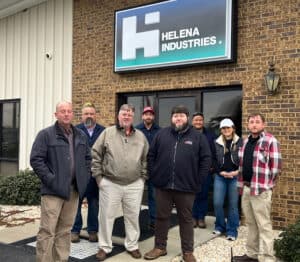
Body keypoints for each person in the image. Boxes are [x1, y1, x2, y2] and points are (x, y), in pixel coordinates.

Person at [144, 105, 211, 262]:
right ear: (171, 118)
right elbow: (151, 155)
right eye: (175, 116)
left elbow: (206, 159)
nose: (178, 118)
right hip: (163, 186)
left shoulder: (197, 136)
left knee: (186, 219)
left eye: (181, 115)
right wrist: (154, 175)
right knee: (161, 217)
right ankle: (160, 247)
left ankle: (187, 251)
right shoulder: (161, 134)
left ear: (187, 118)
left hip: (186, 187)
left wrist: (198, 179)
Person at [30, 101, 91, 262]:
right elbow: (36, 159)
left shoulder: (80, 135)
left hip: (73, 191)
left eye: (69, 111)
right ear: (56, 114)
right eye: (62, 111)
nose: (66, 114)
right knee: (47, 231)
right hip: (52, 192)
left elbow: (87, 159)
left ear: (72, 114)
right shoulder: (46, 135)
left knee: (65, 231)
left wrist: (83, 179)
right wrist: (51, 180)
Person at [91, 104, 149, 261]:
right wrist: (99, 178)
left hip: (134, 184)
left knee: (132, 216)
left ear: (133, 117)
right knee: (106, 216)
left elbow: (145, 159)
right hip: (110, 183)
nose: (126, 116)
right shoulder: (107, 133)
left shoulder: (141, 136)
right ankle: (104, 247)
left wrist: (142, 179)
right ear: (118, 115)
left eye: (129, 114)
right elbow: (95, 154)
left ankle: (132, 245)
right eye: (124, 113)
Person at [233, 113, 281, 262]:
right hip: (247, 189)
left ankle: (268, 258)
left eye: (257, 122)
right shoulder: (246, 142)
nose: (254, 124)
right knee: (251, 223)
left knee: (264, 225)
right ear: (248, 125)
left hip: (261, 190)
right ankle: (252, 254)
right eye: (251, 122)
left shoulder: (270, 141)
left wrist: (267, 185)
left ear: (263, 124)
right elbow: (242, 165)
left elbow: (276, 167)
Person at [71, 102, 105, 243]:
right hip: (78, 175)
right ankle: (75, 230)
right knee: (75, 204)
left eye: (91, 113)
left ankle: (92, 230)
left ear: (95, 115)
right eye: (86, 113)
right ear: (82, 115)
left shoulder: (104, 131)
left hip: (95, 175)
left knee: (94, 204)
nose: (89, 116)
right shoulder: (74, 130)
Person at [213, 118, 242, 241]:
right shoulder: (216, 142)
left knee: (233, 205)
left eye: (228, 128)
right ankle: (220, 226)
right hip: (221, 176)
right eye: (223, 128)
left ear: (233, 128)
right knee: (218, 203)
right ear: (221, 130)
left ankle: (232, 230)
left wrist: (237, 171)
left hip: (235, 176)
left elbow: (244, 159)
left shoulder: (241, 142)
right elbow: (213, 159)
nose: (226, 130)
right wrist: (220, 171)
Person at [135, 106, 160, 230]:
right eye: (146, 114)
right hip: (139, 168)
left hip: (154, 168)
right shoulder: (136, 130)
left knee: (153, 196)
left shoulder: (159, 130)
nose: (148, 116)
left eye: (150, 114)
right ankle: (134, 221)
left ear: (153, 117)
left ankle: (153, 220)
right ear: (142, 116)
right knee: (136, 196)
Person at [191, 112, 216, 228]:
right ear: (192, 122)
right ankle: (193, 217)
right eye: (196, 120)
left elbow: (215, 152)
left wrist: (212, 165)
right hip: (190, 171)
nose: (198, 122)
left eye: (200, 120)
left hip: (205, 171)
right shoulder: (187, 134)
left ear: (203, 121)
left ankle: (201, 218)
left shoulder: (211, 135)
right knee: (192, 195)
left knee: (203, 195)